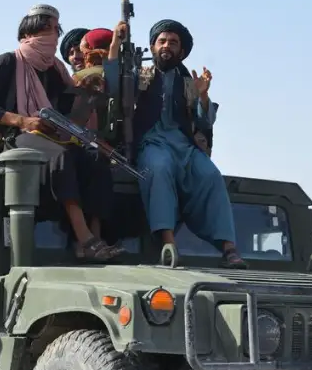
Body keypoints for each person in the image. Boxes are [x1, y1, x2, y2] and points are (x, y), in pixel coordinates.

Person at [0, 4, 122, 262]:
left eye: (55, 29)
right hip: (13, 138)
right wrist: (23, 121)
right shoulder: (7, 62)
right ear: (28, 31)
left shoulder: (56, 70)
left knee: (96, 158)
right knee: (62, 156)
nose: (52, 35)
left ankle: (95, 237)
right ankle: (85, 239)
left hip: (52, 134)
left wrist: (86, 97)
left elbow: (67, 111)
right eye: (46, 28)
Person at [102, 19, 247, 269]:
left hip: (184, 146)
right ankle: (168, 244)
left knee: (210, 175)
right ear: (153, 46)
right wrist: (117, 42)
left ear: (181, 51)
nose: (166, 46)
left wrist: (202, 94)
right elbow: (114, 80)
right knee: (158, 169)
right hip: (151, 143)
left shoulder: (188, 82)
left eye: (173, 42)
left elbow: (205, 121)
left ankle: (228, 248)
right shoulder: (140, 76)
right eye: (161, 41)